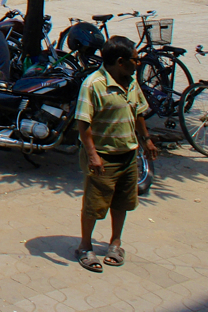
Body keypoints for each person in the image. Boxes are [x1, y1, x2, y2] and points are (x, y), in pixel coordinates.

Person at [74, 35, 158, 272]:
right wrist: (93, 155)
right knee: (94, 203)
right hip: (103, 156)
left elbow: (139, 113)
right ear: (121, 61)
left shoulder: (131, 82)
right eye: (135, 58)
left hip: (128, 154)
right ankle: (85, 246)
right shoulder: (93, 85)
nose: (138, 63)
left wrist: (147, 141)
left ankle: (115, 243)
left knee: (122, 201)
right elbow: (83, 123)